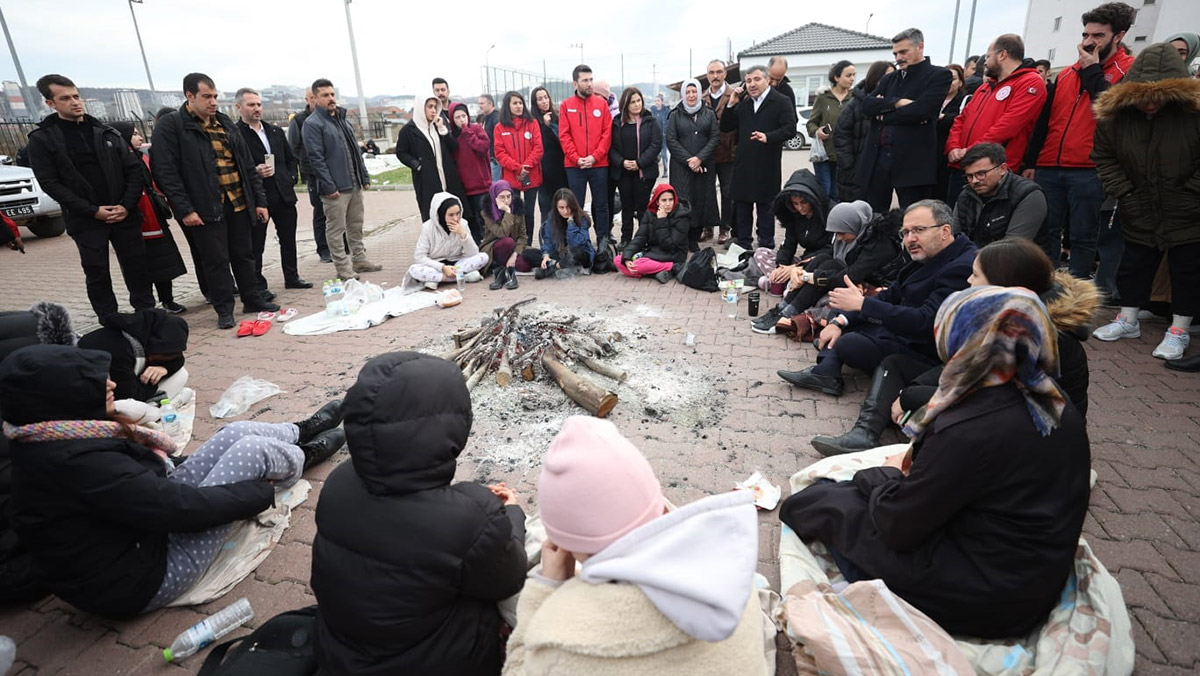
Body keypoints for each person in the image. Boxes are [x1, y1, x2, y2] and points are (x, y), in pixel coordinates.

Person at [781, 285, 1091, 639]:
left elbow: (900, 525)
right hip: (1031, 576)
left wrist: (873, 483)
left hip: (990, 600)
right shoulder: (1053, 397)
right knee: (860, 487)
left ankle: (883, 590)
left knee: (815, 501)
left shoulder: (971, 424)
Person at [0, 343, 345, 618]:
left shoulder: (55, 436)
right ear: (58, 397)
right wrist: (258, 492)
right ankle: (307, 455)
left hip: (143, 535)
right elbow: (177, 508)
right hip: (144, 577)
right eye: (89, 381)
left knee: (235, 433)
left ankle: (301, 429)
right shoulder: (73, 460)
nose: (110, 383)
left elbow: (150, 491)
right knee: (252, 453)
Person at [311, 352, 527, 676]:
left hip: (338, 653)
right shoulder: (469, 516)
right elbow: (510, 576)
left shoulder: (338, 481)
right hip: (424, 662)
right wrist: (512, 512)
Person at [503, 416, 767, 675]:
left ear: (565, 545)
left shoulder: (559, 641)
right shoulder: (733, 563)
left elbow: (516, 668)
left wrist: (546, 588)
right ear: (661, 507)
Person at [811, 237, 1097, 455]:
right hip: (1005, 416)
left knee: (913, 400)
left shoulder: (1028, 333)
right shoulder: (1007, 314)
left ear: (1002, 283)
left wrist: (909, 397)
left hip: (1034, 441)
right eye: (907, 231)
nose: (967, 282)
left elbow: (989, 400)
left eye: (975, 276)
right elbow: (960, 367)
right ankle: (864, 433)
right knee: (895, 367)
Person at [777, 200, 976, 397]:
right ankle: (827, 370)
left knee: (850, 339)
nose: (910, 239)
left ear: (945, 231)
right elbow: (890, 295)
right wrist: (839, 320)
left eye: (919, 230)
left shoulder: (961, 267)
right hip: (898, 325)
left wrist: (863, 305)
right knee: (841, 310)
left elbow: (925, 321)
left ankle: (829, 361)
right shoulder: (925, 254)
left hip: (922, 347)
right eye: (905, 233)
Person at [1092, 42, 1200, 363]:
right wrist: (1124, 192)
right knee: (1135, 264)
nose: (1149, 103)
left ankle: (1179, 328)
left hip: (1188, 207)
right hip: (1137, 203)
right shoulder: (1115, 118)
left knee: (1188, 269)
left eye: (1158, 95)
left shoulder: (1193, 116)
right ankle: (1128, 319)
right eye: (1142, 95)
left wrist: (1192, 193)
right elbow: (1104, 157)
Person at [150, 72, 279, 329]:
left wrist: (260, 201)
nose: (213, 102)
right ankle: (224, 309)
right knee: (216, 260)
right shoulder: (174, 125)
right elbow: (165, 171)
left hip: (238, 202)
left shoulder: (225, 124)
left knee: (244, 254)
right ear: (189, 96)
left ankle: (252, 299)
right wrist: (185, 208)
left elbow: (245, 166)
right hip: (205, 207)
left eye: (215, 96)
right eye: (206, 96)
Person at [1022, 2, 1137, 281]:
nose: (1088, 42)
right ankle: (1045, 283)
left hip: (1089, 167)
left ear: (1118, 36)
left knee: (1083, 234)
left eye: (1098, 36)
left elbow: (1112, 111)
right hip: (1050, 164)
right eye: (1086, 35)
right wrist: (1031, 161)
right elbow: (1044, 122)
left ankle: (1078, 291)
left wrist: (1092, 72)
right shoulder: (1066, 73)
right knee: (1046, 229)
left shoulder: (1129, 70)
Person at [27, 74, 155, 320]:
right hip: (85, 219)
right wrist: (91, 210)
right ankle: (110, 320)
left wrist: (126, 206)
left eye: (76, 96)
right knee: (97, 272)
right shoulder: (43, 139)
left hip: (123, 214)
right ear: (50, 103)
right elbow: (50, 183)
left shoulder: (106, 132)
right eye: (65, 98)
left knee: (137, 266)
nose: (75, 102)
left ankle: (147, 316)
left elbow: (133, 170)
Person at [753, 201, 903, 335]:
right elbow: (827, 254)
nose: (838, 238)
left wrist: (807, 276)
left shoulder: (879, 244)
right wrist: (799, 269)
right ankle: (784, 308)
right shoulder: (860, 232)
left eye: (841, 233)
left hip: (876, 288)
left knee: (827, 268)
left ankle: (789, 313)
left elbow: (851, 275)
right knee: (823, 259)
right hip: (857, 278)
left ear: (852, 225)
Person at [857, 28, 953, 213]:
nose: (898, 57)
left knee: (914, 217)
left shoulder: (939, 75)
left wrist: (884, 113)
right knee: (874, 217)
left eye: (903, 52)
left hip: (912, 163)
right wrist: (897, 102)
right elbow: (867, 105)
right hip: (878, 160)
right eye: (895, 53)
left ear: (920, 47)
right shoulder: (889, 78)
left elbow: (922, 111)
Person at [944, 35, 1047, 205]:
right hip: (963, 165)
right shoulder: (985, 87)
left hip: (991, 171)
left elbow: (1008, 125)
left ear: (1002, 55)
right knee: (956, 220)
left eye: (988, 56)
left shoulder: (1030, 82)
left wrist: (970, 150)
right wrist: (953, 147)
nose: (984, 62)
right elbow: (961, 119)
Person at [234, 88, 311, 294]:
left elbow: (290, 157)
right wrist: (255, 171)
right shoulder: (235, 135)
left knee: (288, 239)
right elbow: (235, 166)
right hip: (259, 197)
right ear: (239, 107)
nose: (257, 109)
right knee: (256, 245)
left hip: (283, 194)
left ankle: (292, 276)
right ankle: (258, 285)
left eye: (258, 104)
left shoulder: (274, 131)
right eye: (251, 105)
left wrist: (291, 178)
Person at [303, 79, 379, 282]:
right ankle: (343, 268)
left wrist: (363, 176)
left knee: (356, 225)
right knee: (336, 230)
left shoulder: (343, 120)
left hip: (353, 183)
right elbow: (316, 159)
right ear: (316, 98)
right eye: (325, 95)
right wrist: (328, 186)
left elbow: (355, 151)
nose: (331, 98)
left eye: (332, 94)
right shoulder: (313, 124)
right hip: (334, 189)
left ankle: (360, 259)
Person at [110, 121, 188, 314]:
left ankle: (168, 300)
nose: (140, 137)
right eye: (135, 134)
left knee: (162, 261)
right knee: (140, 266)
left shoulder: (142, 157)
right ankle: (146, 306)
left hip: (154, 215)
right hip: (135, 219)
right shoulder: (118, 161)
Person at [721, 65, 798, 250]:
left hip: (767, 163)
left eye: (756, 79)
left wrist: (768, 137)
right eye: (748, 81)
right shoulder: (744, 103)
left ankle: (766, 246)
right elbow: (726, 126)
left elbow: (790, 129)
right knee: (742, 207)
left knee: (766, 208)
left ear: (767, 80)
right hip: (743, 164)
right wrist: (731, 103)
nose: (752, 84)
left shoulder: (781, 101)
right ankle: (744, 245)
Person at [76, 308, 189, 405]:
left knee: (182, 374)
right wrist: (151, 380)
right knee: (134, 408)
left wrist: (164, 369)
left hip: (118, 393)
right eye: (159, 357)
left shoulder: (142, 335)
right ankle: (157, 408)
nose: (154, 360)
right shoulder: (120, 348)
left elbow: (178, 359)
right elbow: (131, 396)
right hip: (91, 400)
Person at [749, 169, 830, 295]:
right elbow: (788, 245)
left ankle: (787, 283)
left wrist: (797, 267)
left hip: (820, 262)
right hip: (801, 262)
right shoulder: (795, 216)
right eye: (795, 204)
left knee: (817, 269)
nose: (800, 207)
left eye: (803, 202)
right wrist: (781, 266)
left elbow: (831, 250)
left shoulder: (827, 215)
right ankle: (781, 279)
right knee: (761, 253)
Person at [952, 142, 1047, 248]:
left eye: (981, 174)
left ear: (1002, 169)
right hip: (974, 258)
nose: (974, 181)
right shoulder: (967, 194)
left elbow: (1013, 247)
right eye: (969, 176)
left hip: (1021, 262)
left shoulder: (1028, 195)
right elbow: (954, 239)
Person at [559, 65, 613, 246]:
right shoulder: (566, 106)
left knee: (601, 205)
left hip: (598, 164)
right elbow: (564, 136)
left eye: (591, 79)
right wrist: (576, 158)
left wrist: (595, 157)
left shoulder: (601, 104)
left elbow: (607, 134)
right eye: (585, 80)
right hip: (575, 166)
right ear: (575, 83)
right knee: (576, 205)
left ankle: (603, 241)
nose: (590, 84)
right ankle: (580, 241)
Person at [666, 79, 719, 252]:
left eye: (694, 91)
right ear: (683, 94)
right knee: (683, 201)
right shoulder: (675, 115)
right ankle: (683, 237)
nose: (691, 95)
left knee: (700, 201)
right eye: (687, 92)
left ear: (699, 93)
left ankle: (695, 237)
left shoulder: (709, 114)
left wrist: (699, 159)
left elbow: (714, 138)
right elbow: (671, 140)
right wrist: (690, 160)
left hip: (703, 167)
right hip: (681, 167)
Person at [397, 95, 468, 223]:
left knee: (452, 213)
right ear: (420, 108)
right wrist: (417, 165)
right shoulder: (408, 130)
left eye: (435, 107)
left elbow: (453, 147)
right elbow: (401, 152)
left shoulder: (437, 125)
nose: (434, 110)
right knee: (432, 216)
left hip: (446, 176)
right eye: (430, 107)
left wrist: (442, 129)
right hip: (427, 180)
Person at [400, 192, 488, 293]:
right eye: (451, 215)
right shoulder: (428, 228)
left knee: (483, 257)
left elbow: (473, 253)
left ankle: (438, 279)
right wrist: (442, 268)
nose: (455, 218)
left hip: (457, 264)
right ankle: (458, 277)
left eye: (458, 213)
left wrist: (463, 234)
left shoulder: (463, 224)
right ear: (441, 214)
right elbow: (419, 257)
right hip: (436, 266)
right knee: (414, 269)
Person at [833, 61, 894, 204]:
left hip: (882, 174)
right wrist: (849, 167)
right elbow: (841, 135)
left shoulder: (892, 103)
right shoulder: (856, 103)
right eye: (887, 77)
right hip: (856, 174)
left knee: (879, 216)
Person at [609, 87, 662, 249]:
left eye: (639, 100)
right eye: (632, 102)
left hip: (644, 172)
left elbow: (656, 144)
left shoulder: (650, 121)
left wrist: (639, 162)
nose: (637, 104)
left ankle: (644, 238)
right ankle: (626, 238)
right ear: (625, 104)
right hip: (623, 172)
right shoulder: (617, 122)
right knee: (626, 206)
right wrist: (622, 162)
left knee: (642, 207)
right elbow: (610, 147)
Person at [494, 90, 544, 244]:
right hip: (511, 178)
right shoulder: (499, 128)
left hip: (531, 176)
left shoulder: (532, 123)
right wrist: (517, 168)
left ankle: (528, 244)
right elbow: (500, 153)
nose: (518, 106)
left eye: (520, 103)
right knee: (514, 212)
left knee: (529, 212)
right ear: (507, 106)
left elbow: (538, 148)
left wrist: (526, 167)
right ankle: (516, 243)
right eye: (515, 103)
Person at [288, 87, 332, 262]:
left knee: (338, 211)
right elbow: (294, 146)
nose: (316, 100)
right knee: (320, 211)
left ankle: (343, 244)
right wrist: (308, 161)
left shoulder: (330, 118)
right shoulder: (299, 120)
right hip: (314, 173)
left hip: (332, 170)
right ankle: (323, 249)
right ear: (307, 99)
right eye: (312, 97)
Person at [615, 183, 690, 283]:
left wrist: (661, 220)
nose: (668, 204)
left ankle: (672, 267)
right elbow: (640, 237)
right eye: (664, 200)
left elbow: (669, 245)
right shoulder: (650, 213)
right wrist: (627, 257)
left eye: (671, 199)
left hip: (674, 253)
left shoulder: (682, 216)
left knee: (640, 264)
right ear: (657, 202)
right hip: (653, 251)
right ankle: (655, 273)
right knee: (618, 260)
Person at [807, 61, 855, 203]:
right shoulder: (823, 98)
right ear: (836, 77)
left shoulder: (855, 98)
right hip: (824, 155)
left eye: (853, 75)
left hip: (846, 154)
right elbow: (811, 123)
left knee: (839, 193)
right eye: (848, 75)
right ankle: (822, 222)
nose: (852, 78)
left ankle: (837, 222)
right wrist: (817, 131)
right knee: (825, 191)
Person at [525, 188, 595, 278]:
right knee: (527, 253)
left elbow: (576, 243)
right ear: (556, 207)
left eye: (568, 207)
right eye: (561, 208)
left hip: (579, 254)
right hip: (559, 254)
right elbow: (548, 240)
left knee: (577, 253)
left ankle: (554, 267)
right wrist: (546, 255)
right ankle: (556, 265)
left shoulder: (582, 218)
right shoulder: (552, 218)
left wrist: (571, 223)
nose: (565, 211)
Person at [704, 59, 737, 244]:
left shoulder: (735, 94)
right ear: (707, 75)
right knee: (707, 192)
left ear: (725, 74)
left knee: (727, 193)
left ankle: (725, 228)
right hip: (707, 154)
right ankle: (708, 226)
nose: (715, 76)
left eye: (718, 72)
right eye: (711, 72)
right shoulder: (702, 97)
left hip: (728, 152)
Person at [448, 102, 492, 244]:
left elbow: (483, 147)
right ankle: (474, 248)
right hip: (464, 188)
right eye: (457, 117)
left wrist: (467, 133)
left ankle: (490, 249)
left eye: (464, 116)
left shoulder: (476, 129)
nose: (461, 120)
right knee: (470, 221)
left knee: (486, 220)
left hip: (481, 185)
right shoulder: (451, 136)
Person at [532, 86, 568, 234]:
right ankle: (547, 241)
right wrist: (544, 126)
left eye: (545, 97)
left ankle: (565, 239)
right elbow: (538, 144)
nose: (544, 101)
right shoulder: (534, 122)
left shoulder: (557, 117)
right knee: (547, 209)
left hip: (562, 169)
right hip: (545, 173)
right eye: (540, 99)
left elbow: (564, 140)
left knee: (564, 206)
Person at [480, 180, 525, 290]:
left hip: (512, 249)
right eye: (502, 197)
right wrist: (508, 212)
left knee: (526, 265)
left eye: (509, 196)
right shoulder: (487, 212)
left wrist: (514, 255)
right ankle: (508, 274)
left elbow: (522, 236)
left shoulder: (518, 209)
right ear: (494, 197)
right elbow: (502, 233)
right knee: (507, 242)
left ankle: (501, 271)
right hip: (494, 247)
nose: (506, 201)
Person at [934, 65, 967, 203]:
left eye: (952, 79)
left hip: (949, 156)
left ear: (960, 82)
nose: (948, 82)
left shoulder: (965, 101)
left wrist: (943, 117)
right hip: (929, 156)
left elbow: (963, 121)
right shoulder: (932, 99)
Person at [478, 93, 502, 181]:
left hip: (496, 161)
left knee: (496, 187)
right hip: (489, 159)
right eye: (479, 103)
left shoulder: (496, 119)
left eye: (482, 103)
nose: (480, 106)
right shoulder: (485, 118)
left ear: (490, 103)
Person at [651, 93, 671, 175]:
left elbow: (668, 122)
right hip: (655, 136)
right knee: (654, 153)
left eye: (658, 101)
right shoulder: (653, 111)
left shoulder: (666, 111)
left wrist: (666, 132)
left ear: (662, 101)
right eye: (655, 101)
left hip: (664, 136)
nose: (657, 102)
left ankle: (665, 170)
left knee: (664, 153)